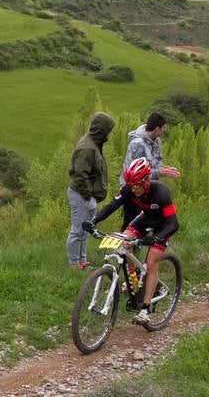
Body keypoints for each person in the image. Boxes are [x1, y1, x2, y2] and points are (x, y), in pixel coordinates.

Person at [83, 157, 179, 324]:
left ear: (146, 181)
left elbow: (173, 224)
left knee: (151, 261)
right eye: (131, 185)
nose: (133, 189)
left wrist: (156, 238)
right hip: (145, 219)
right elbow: (112, 206)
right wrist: (93, 221)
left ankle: (145, 309)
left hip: (163, 226)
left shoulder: (161, 193)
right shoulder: (129, 188)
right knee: (124, 243)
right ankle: (134, 283)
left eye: (136, 185)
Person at [68, 112, 116, 270]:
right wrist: (88, 197)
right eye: (108, 130)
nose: (110, 133)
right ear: (102, 130)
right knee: (77, 231)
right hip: (81, 195)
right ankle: (74, 265)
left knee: (84, 230)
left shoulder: (94, 143)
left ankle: (82, 261)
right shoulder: (88, 147)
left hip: (86, 196)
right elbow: (80, 175)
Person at [121, 112, 181, 182]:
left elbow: (157, 161)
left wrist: (165, 169)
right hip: (133, 185)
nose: (164, 130)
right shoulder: (137, 145)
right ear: (157, 129)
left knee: (164, 191)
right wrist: (159, 172)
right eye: (163, 128)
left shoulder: (157, 140)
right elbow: (136, 172)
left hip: (148, 184)